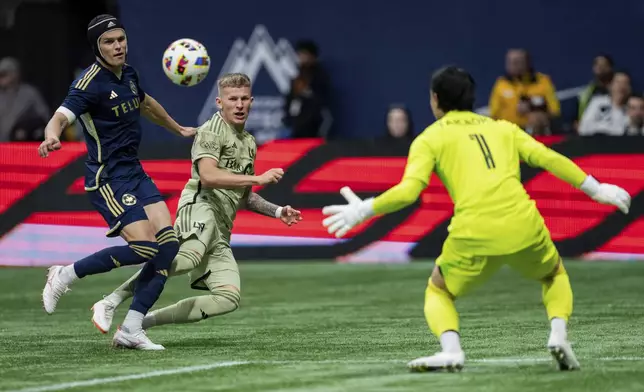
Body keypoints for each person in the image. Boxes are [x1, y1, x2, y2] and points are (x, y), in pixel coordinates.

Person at [322, 66, 631, 372]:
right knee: (553, 276)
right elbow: (549, 158)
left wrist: (364, 209)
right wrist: (597, 188)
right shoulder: (504, 128)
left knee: (438, 291)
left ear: (434, 99)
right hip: (523, 224)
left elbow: (409, 191)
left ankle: (452, 351)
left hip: (474, 232)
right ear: (472, 98)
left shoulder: (429, 139)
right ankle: (558, 335)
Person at [91, 73, 302, 334]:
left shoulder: (248, 142)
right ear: (219, 102)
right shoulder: (212, 131)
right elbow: (208, 176)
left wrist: (278, 211)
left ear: (251, 101)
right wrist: (259, 177)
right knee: (187, 258)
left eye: (244, 99)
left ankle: (140, 324)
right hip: (201, 205)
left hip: (222, 228)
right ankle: (111, 300)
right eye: (232, 99)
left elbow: (244, 196)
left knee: (228, 297)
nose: (238, 104)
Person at [38, 14, 196, 350]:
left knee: (167, 248)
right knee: (145, 249)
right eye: (109, 42)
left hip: (135, 173)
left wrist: (179, 128)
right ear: (97, 47)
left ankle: (131, 329)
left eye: (121, 39)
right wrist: (52, 135)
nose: (118, 46)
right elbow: (61, 115)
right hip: (107, 178)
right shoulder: (88, 83)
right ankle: (64, 274)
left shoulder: (130, 75)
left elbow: (146, 104)